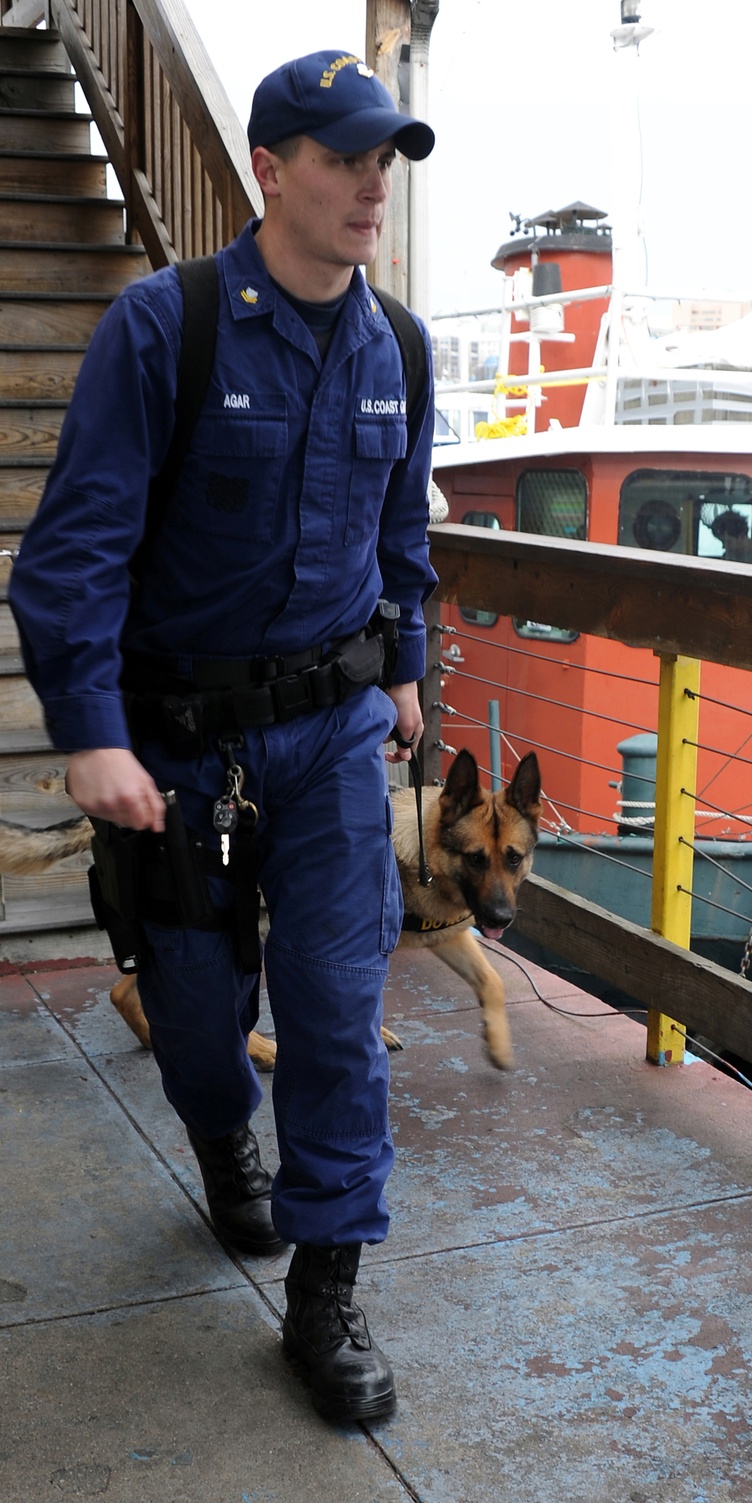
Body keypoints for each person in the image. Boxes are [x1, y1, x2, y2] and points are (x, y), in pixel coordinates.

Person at [9, 51, 437, 1425]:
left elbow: (401, 541)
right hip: (179, 754)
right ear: (269, 166)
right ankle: (220, 1146)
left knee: (336, 1023)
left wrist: (410, 670)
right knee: (200, 1030)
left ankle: (328, 1292)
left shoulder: (403, 347)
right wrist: (89, 734)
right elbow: (70, 554)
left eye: (387, 158)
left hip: (330, 745)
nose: (374, 182)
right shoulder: (164, 327)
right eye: (344, 155)